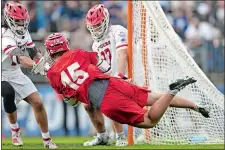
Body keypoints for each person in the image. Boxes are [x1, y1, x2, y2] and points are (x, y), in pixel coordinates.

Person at [41, 33, 209, 145]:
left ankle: (173, 91)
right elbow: (105, 68)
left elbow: (72, 102)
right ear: (66, 46)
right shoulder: (78, 52)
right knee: (155, 98)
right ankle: (193, 105)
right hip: (115, 82)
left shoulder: (52, 74)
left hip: (106, 99)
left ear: (50, 52)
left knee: (149, 120)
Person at [1, 1, 58, 148]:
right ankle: (15, 131)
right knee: (8, 93)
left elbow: (33, 52)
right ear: (8, 19)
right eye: (17, 21)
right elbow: (20, 58)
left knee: (38, 102)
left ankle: (47, 141)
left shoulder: (24, 32)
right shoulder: (5, 36)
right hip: (1, 72)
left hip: (14, 72)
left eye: (22, 21)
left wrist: (43, 63)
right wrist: (37, 66)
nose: (21, 24)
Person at [84, 3, 129, 146]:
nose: (96, 28)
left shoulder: (117, 31)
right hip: (110, 78)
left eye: (98, 25)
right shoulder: (95, 44)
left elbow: (123, 55)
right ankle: (103, 136)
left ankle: (120, 136)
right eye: (94, 26)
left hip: (127, 75)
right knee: (89, 103)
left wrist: (120, 76)